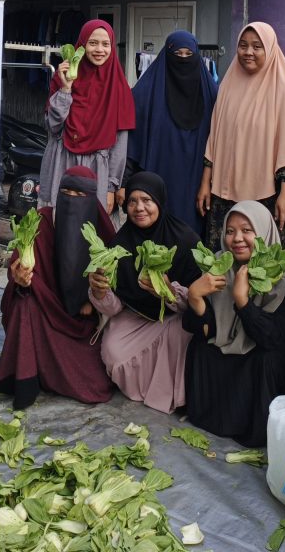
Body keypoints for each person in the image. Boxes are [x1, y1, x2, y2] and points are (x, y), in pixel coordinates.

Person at [0, 167, 115, 409]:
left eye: (80, 195)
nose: (72, 200)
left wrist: (92, 300)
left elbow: (114, 279)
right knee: (24, 303)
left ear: (91, 198)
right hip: (47, 310)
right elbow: (20, 260)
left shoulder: (102, 227)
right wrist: (19, 276)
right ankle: (25, 381)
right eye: (66, 193)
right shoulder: (41, 220)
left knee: (94, 385)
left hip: (85, 320)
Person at [183, 201, 285, 446]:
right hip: (233, 343)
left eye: (247, 230)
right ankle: (213, 418)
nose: (237, 238)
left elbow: (272, 336)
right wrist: (194, 296)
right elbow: (205, 329)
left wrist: (242, 301)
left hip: (269, 346)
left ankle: (256, 429)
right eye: (230, 231)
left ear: (264, 232)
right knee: (200, 348)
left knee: (266, 360)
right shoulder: (219, 265)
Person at [88, 171, 201, 414]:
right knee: (114, 352)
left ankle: (174, 395)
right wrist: (99, 291)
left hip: (175, 317)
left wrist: (168, 292)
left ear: (159, 201)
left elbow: (198, 299)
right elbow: (114, 307)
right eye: (132, 201)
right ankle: (142, 388)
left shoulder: (185, 239)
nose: (139, 208)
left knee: (185, 333)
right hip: (136, 316)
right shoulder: (119, 246)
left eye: (147, 200)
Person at [197, 22, 285, 254]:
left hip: (269, 194)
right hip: (224, 192)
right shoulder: (228, 85)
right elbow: (214, 136)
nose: (248, 52)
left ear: (270, 48)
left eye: (257, 46)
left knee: (266, 260)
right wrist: (206, 182)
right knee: (226, 257)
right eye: (243, 45)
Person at [121, 30, 218, 232]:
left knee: (192, 235)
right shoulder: (145, 94)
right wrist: (124, 183)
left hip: (198, 180)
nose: (183, 59)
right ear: (166, 55)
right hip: (158, 176)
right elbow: (131, 143)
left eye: (188, 54)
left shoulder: (211, 95)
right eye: (177, 54)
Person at [38, 19, 135, 215]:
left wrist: (111, 186)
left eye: (105, 44)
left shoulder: (119, 87)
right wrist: (66, 89)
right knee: (57, 221)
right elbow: (53, 127)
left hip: (97, 171)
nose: (99, 49)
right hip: (61, 165)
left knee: (92, 226)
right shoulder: (63, 76)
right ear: (82, 45)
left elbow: (120, 143)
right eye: (93, 43)